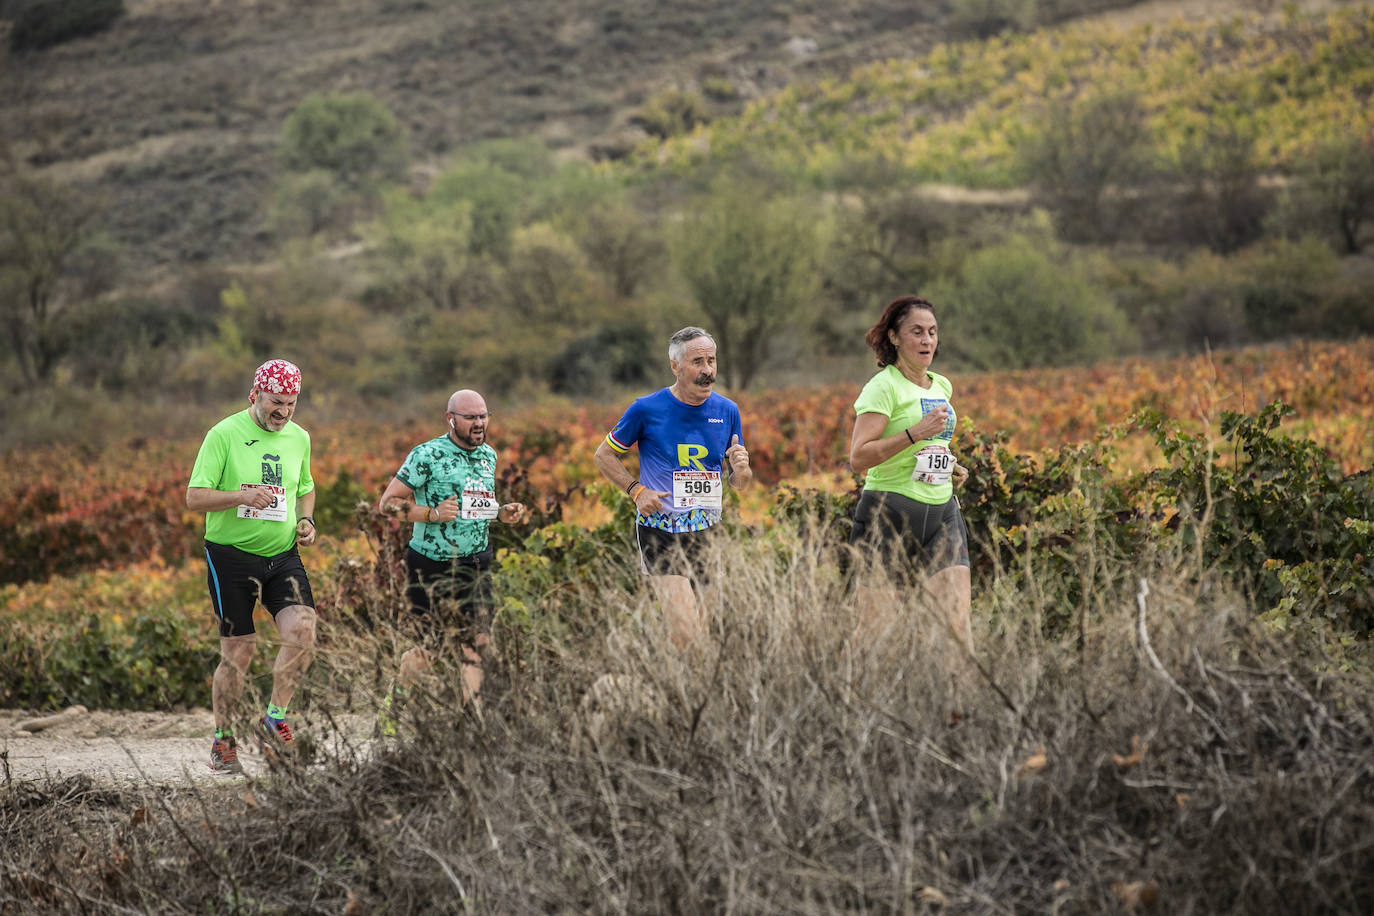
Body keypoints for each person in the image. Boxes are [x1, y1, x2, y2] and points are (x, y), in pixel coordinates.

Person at [187, 359, 319, 774]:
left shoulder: (299, 437)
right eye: (275, 403)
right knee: (239, 652)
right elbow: (194, 497)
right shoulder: (223, 434)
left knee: (303, 630)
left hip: (282, 555)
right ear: (255, 396)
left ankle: (274, 719)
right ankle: (223, 740)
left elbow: (307, 488)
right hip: (230, 555)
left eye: (291, 404)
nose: (282, 412)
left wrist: (307, 520)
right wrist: (241, 498)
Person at [593, 326, 753, 648]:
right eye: (697, 362)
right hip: (660, 529)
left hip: (708, 530)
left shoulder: (727, 410)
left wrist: (742, 470)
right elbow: (603, 455)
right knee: (684, 632)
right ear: (675, 367)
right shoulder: (646, 409)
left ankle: (693, 693)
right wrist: (636, 490)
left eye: (711, 361)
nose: (707, 371)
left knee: (708, 635)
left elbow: (740, 485)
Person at [377, 389, 527, 728]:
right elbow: (387, 504)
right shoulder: (426, 455)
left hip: (476, 563)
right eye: (471, 417)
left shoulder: (488, 455)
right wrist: (431, 513)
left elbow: (479, 507)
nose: (479, 423)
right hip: (431, 564)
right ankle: (396, 700)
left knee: (477, 643)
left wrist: (503, 514)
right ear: (451, 419)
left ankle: (471, 725)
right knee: (431, 652)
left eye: (483, 416)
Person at [847, 295, 973, 651]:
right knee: (877, 635)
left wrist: (950, 464)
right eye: (916, 332)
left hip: (942, 513)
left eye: (932, 332)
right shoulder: (882, 386)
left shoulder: (942, 386)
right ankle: (849, 701)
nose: (927, 340)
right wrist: (914, 433)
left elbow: (931, 446)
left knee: (957, 626)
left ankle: (958, 707)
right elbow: (858, 459)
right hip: (887, 513)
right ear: (894, 338)